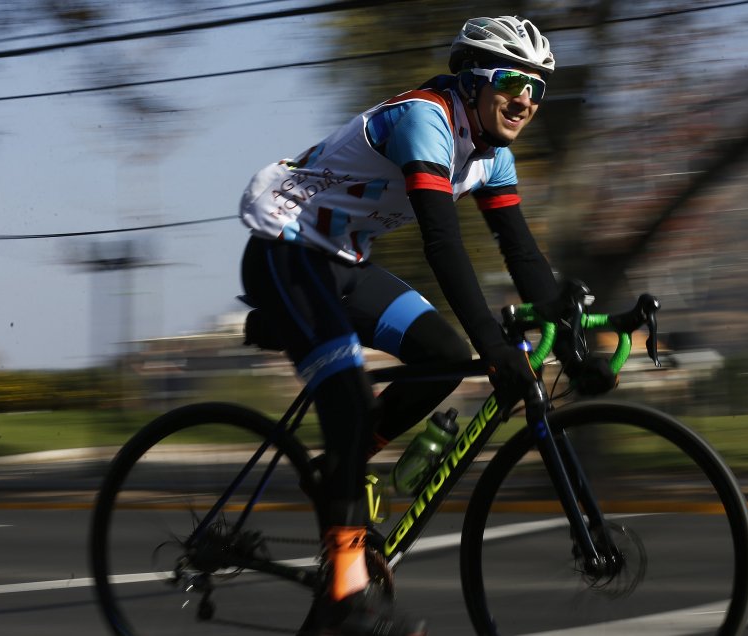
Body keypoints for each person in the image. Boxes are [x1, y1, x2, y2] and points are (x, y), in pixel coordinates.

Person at [238, 15, 559, 636]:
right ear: (471, 79)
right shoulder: (426, 118)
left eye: (538, 89)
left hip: (342, 262)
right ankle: (345, 598)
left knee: (441, 356)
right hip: (285, 250)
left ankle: (342, 468)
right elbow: (443, 244)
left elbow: (522, 255)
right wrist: (495, 348)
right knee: (355, 403)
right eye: (513, 81)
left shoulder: (492, 156)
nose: (525, 99)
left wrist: (574, 335)